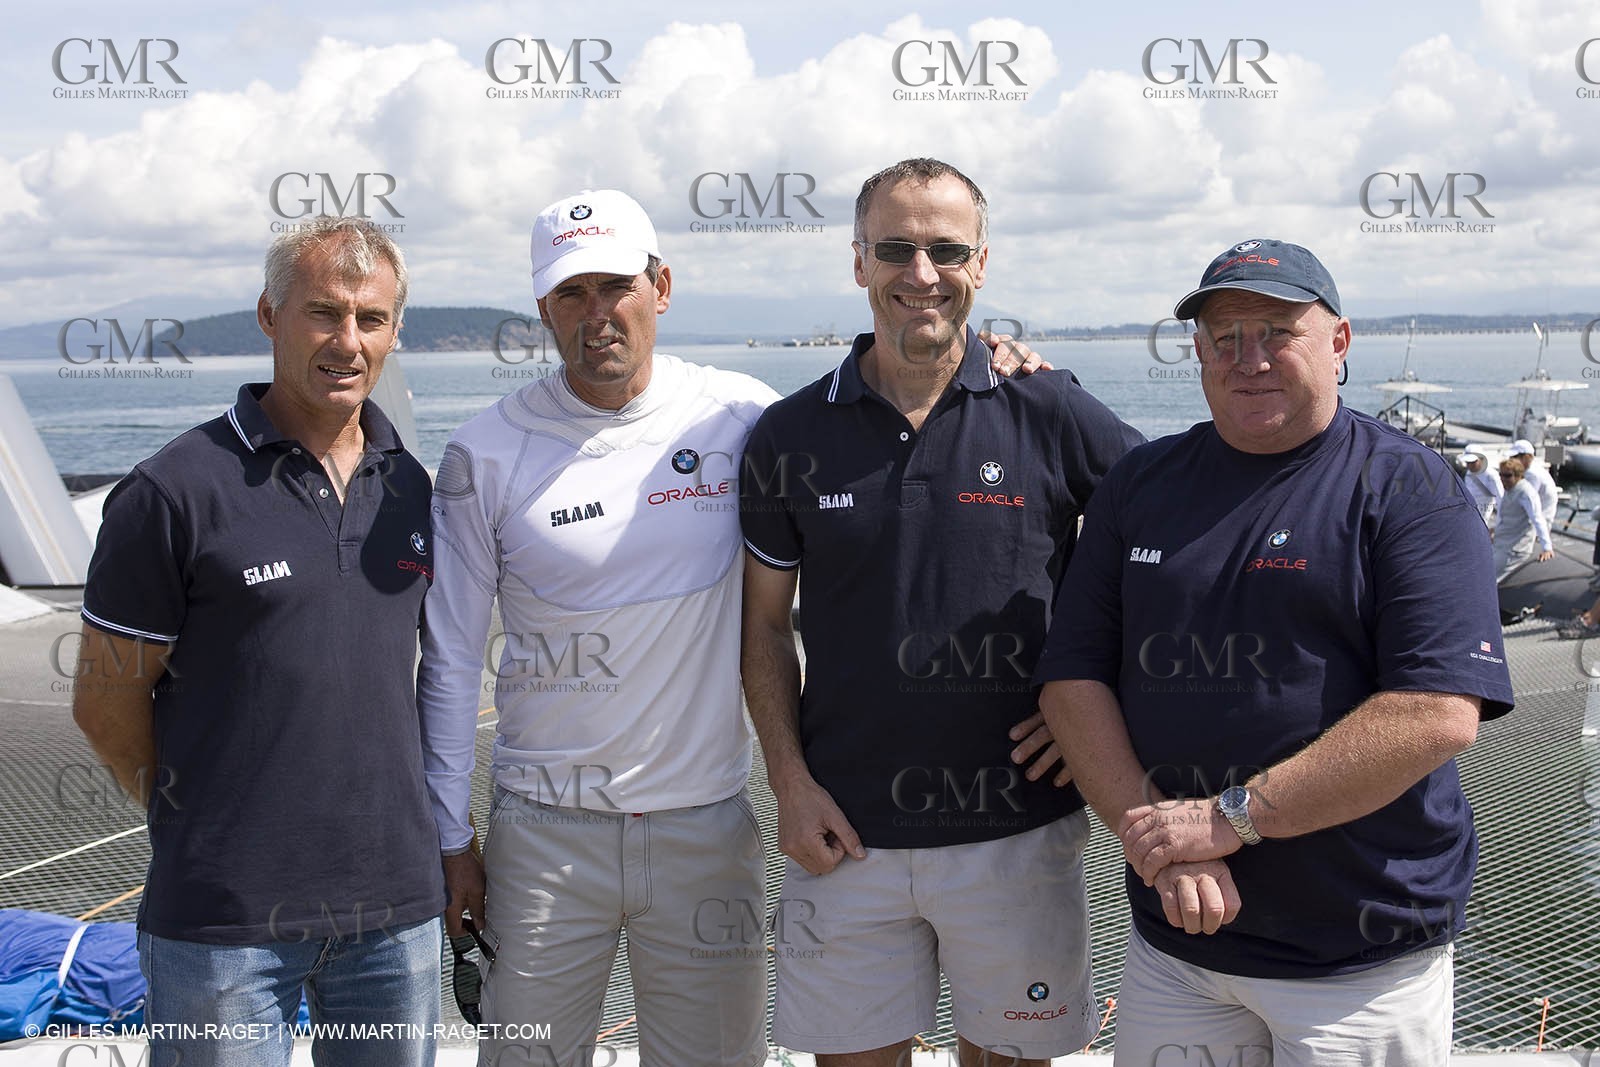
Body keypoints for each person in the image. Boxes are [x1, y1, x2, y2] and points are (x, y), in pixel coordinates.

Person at [415, 186, 1057, 1067]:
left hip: (705, 830)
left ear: (662, 286)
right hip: (543, 836)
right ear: (543, 309)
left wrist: (991, 359)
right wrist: (453, 838)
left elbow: (891, 398)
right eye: (571, 293)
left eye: (617, 286)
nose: (597, 314)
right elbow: (449, 662)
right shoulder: (483, 452)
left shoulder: (743, 417)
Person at [1033, 238, 1514, 1065]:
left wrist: (1226, 822)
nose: (1247, 358)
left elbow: (1437, 713)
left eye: (1277, 331)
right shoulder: (1139, 485)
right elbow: (1073, 679)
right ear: (1199, 353)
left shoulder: (1410, 488)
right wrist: (1158, 842)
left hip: (1361, 959)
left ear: (1339, 342)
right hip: (1176, 945)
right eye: (1225, 337)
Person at [739, 158, 1144, 1067]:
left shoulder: (1049, 406)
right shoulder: (790, 435)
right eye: (895, 248)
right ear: (858, 263)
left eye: (945, 250)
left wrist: (1084, 689)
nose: (921, 273)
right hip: (842, 835)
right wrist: (789, 784)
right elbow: (765, 628)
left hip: (1019, 830)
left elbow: (1161, 540)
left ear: (982, 263)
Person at [72, 216, 445, 1067]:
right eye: (323, 313)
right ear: (270, 316)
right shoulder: (172, 492)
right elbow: (103, 700)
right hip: (222, 921)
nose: (347, 341)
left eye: (371, 318)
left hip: (394, 912)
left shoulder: (412, 487)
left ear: (392, 333)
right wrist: (200, 818)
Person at [1493, 459, 1554, 583]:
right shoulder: (1510, 489)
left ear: (1518, 475)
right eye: (1501, 474)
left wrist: (1547, 547)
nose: (1502, 479)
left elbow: (1537, 519)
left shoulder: (1526, 493)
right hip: (1501, 543)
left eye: (1507, 475)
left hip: (1513, 550)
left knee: (1485, 579)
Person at [1510, 438, 1558, 528]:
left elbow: (1528, 497)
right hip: (1535, 515)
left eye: (1515, 457)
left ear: (1526, 457)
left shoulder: (1532, 474)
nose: (1512, 461)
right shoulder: (1530, 469)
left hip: (1541, 517)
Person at [1458, 450, 1500, 527]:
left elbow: (1500, 500)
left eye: (1473, 462)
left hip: (1486, 521)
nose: (1470, 466)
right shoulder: (1468, 473)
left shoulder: (1491, 475)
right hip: (1470, 517)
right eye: (1468, 463)